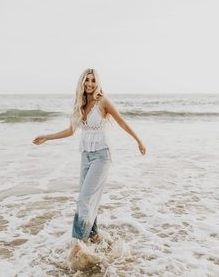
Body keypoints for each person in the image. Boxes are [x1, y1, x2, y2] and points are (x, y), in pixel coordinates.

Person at [32, 68, 146, 257]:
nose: (90, 84)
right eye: (87, 80)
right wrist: (47, 136)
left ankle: (78, 242)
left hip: (102, 156)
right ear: (82, 83)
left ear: (97, 82)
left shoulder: (103, 101)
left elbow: (122, 122)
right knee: (88, 200)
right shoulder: (79, 105)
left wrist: (138, 140)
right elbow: (70, 131)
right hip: (85, 156)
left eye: (93, 80)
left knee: (84, 200)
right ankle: (94, 237)